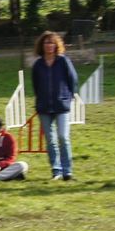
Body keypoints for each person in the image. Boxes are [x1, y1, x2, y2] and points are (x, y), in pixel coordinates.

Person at [31, 31, 78, 180]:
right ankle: (56, 170)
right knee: (50, 140)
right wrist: (40, 100)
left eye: (51, 42)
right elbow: (35, 85)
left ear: (56, 45)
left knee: (63, 137)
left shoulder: (63, 61)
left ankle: (67, 170)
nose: (49, 45)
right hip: (44, 106)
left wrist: (69, 97)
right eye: (46, 43)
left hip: (61, 105)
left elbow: (73, 79)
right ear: (42, 45)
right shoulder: (38, 64)